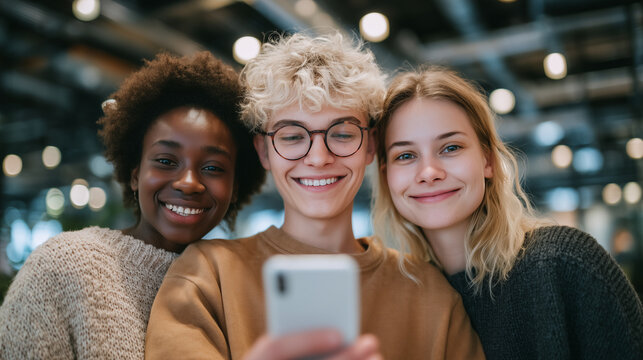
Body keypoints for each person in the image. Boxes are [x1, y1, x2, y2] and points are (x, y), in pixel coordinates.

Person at [145, 33, 484, 360]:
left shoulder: (431, 293)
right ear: (264, 151)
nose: (319, 157)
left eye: (341, 133)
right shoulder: (207, 274)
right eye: (292, 136)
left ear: (370, 144)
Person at [0, 51, 265, 359]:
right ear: (135, 174)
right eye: (166, 161)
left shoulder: (237, 286)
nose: (189, 182)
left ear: (235, 187)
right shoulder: (64, 267)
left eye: (213, 168)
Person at [372, 66, 643, 359]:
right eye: (406, 155)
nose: (429, 172)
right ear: (386, 175)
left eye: (450, 147)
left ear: (487, 160)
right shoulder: (406, 301)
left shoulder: (563, 263)